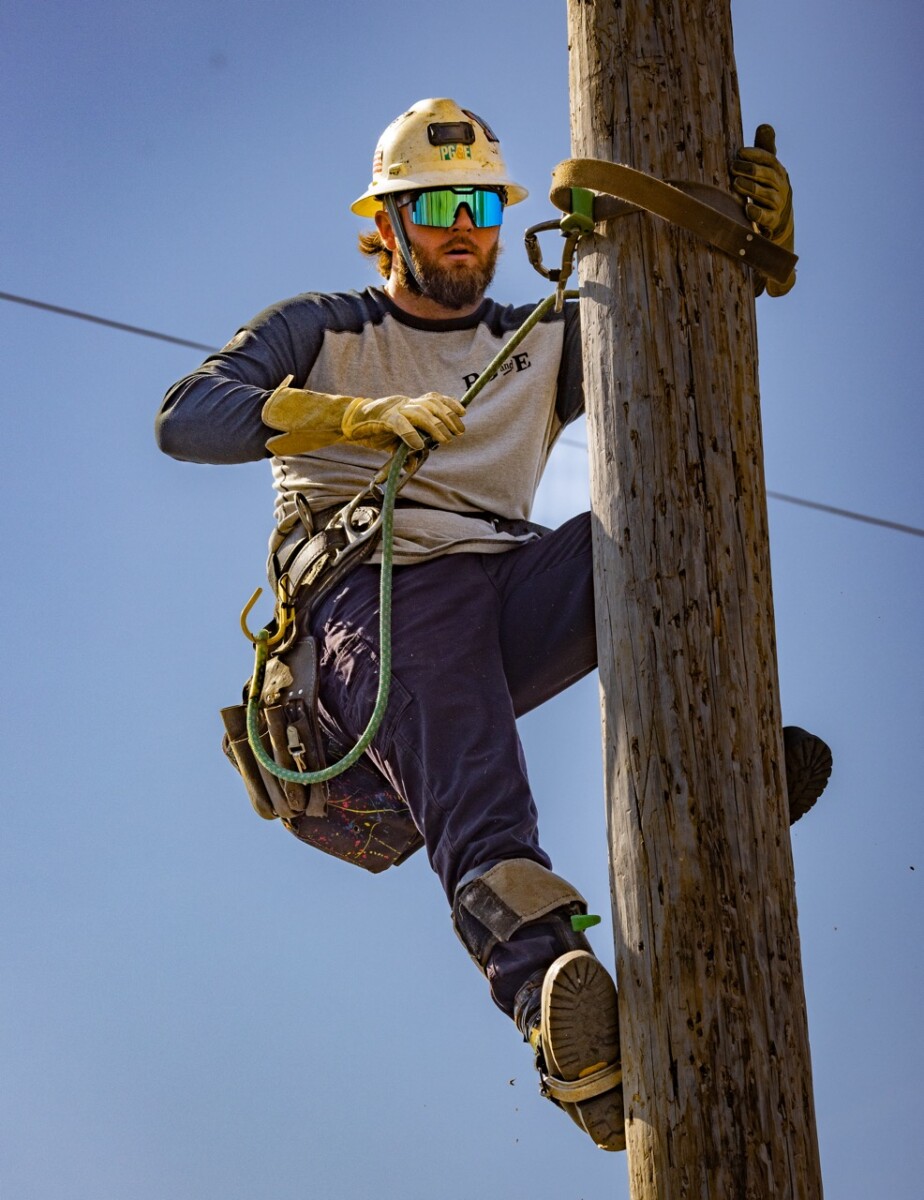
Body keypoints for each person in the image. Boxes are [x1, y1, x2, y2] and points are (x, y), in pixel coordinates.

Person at [156, 98, 830, 1151]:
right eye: (434, 207)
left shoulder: (538, 342)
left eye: (476, 202)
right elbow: (186, 416)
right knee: (469, 752)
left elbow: (675, 322)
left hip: (502, 589)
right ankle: (560, 1014)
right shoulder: (323, 329)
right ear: (385, 228)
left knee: (656, 525)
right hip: (369, 600)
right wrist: (346, 415)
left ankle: (722, 762)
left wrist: (745, 248)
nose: (461, 225)